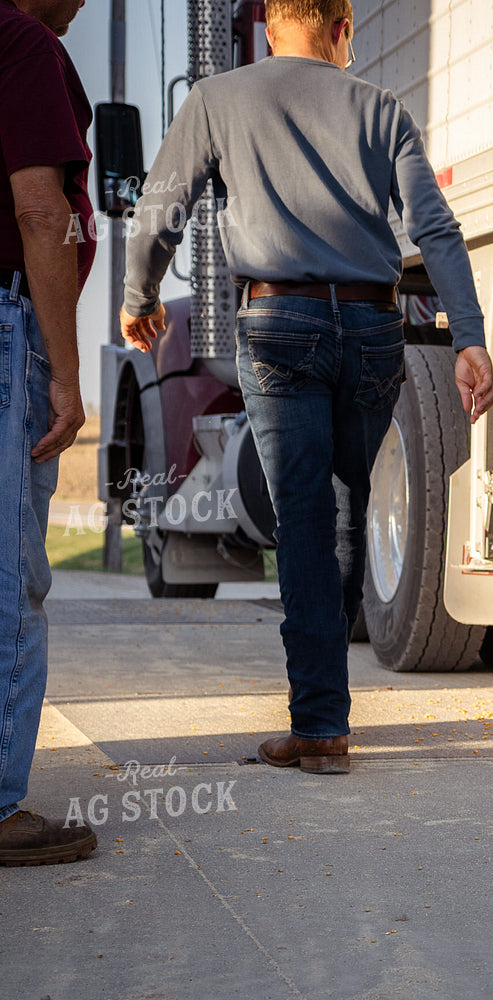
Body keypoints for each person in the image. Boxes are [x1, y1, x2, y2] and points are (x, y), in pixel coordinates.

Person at [122, 0, 493, 775]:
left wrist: (139, 296)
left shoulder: (216, 100)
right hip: (370, 328)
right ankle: (326, 710)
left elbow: (160, 209)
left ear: (268, 27)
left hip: (278, 322)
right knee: (352, 505)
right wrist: (468, 337)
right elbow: (435, 229)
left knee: (304, 519)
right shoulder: (382, 109)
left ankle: (321, 722)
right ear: (341, 27)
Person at [0, 0, 96, 866]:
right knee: (8, 573)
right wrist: (64, 374)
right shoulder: (19, 42)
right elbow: (40, 210)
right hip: (4, 332)